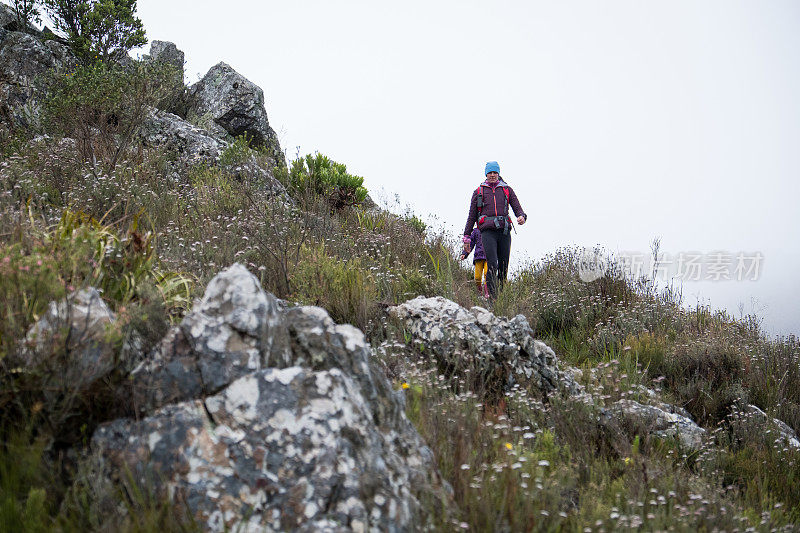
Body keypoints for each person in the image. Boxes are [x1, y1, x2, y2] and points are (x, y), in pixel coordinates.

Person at [462, 161, 527, 299]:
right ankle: (492, 298)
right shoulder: (478, 192)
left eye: (495, 172)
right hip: (487, 232)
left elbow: (517, 207)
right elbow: (471, 215)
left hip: (504, 232)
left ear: (498, 173)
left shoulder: (506, 190)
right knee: (492, 263)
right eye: (490, 173)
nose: (492, 175)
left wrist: (521, 216)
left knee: (503, 266)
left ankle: (500, 296)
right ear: (486, 174)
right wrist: (467, 237)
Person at [460, 226, 489, 297]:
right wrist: (465, 253)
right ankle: (479, 294)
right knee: (477, 277)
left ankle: (487, 294)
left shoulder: (490, 229)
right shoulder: (476, 231)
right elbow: (471, 243)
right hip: (478, 257)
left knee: (487, 274)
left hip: (489, 256)